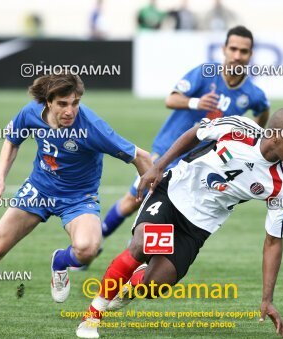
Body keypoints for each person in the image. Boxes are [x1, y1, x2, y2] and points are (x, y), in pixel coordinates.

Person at [0, 73, 152, 324]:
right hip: (38, 191)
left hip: (79, 198)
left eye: (75, 103)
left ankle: (60, 262)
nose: (70, 110)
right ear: (48, 102)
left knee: (87, 250)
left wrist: (149, 201)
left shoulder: (92, 127)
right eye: (63, 104)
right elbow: (12, 140)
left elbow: (142, 157)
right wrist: (0, 178)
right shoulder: (31, 112)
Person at [76, 109, 283, 339]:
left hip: (198, 227)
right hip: (172, 194)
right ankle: (92, 317)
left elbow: (273, 242)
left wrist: (267, 300)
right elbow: (195, 134)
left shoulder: (282, 186)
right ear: (275, 136)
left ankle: (132, 285)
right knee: (143, 243)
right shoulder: (238, 128)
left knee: (154, 286)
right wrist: (159, 166)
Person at [101, 25, 270, 241]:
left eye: (243, 51)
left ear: (250, 54)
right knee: (132, 202)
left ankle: (138, 252)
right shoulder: (205, 73)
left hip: (198, 162)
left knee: (170, 212)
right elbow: (171, 99)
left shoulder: (253, 93)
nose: (237, 56)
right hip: (167, 151)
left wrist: (250, 137)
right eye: (233, 49)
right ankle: (96, 243)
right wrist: (196, 102)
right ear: (224, 49)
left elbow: (263, 111)